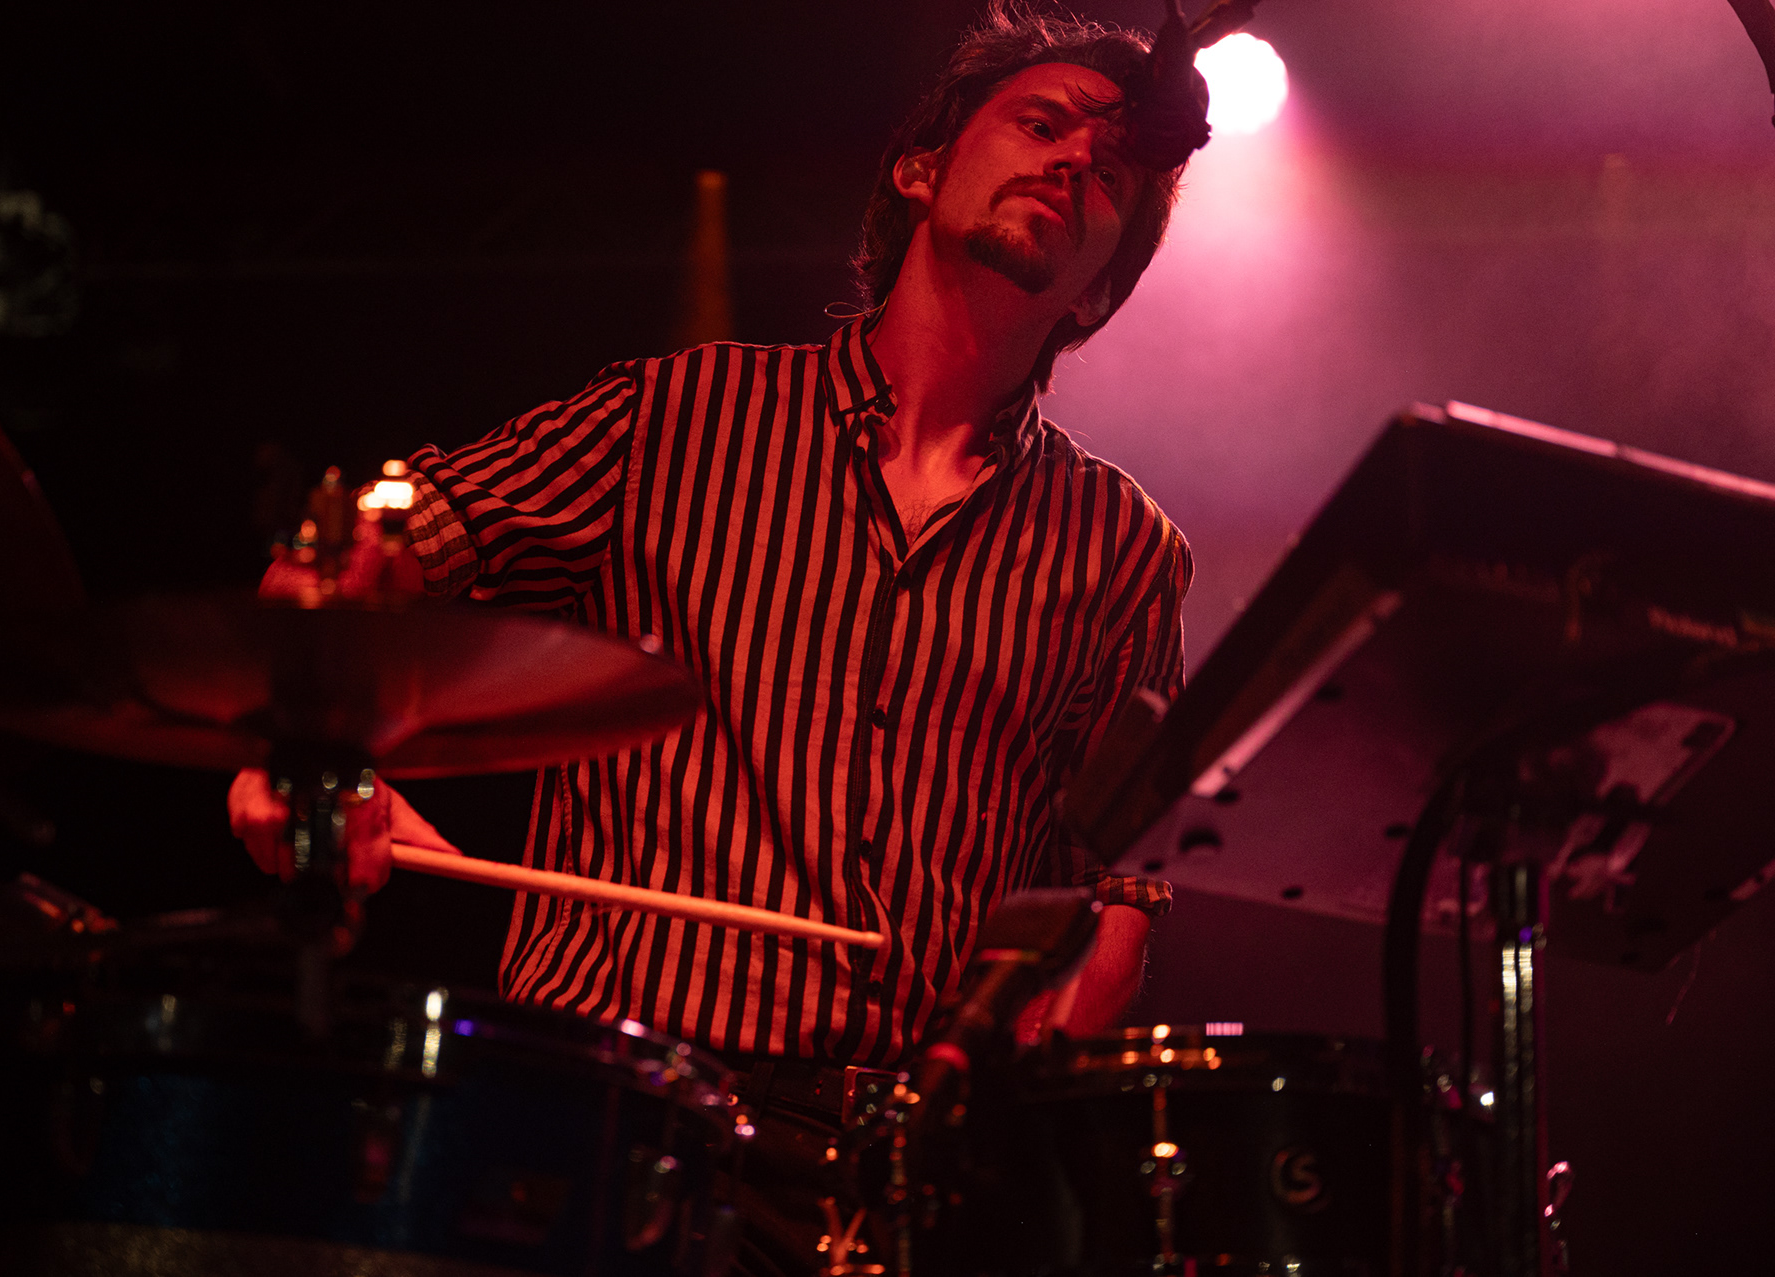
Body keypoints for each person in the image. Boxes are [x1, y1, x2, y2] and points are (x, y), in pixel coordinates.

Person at [231, 5, 1205, 1271]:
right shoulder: (671, 415)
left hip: (890, 1171)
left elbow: (1116, 890)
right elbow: (349, 561)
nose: (1076, 161)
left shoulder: (1129, 550)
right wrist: (313, 758)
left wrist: (1022, 1070)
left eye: (1114, 173)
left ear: (1107, 284)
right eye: (1042, 123)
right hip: (601, 1110)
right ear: (920, 169)